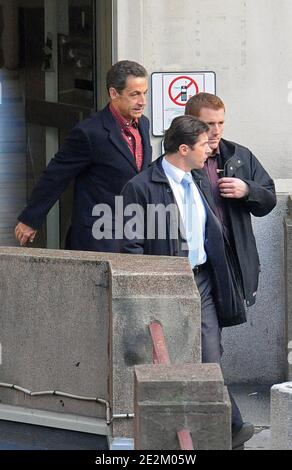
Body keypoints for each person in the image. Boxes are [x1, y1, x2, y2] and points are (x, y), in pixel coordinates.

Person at [120, 115, 250, 449]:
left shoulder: (200, 179)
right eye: (205, 144)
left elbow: (211, 230)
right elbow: (132, 245)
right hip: (167, 283)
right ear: (183, 148)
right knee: (172, 360)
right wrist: (146, 290)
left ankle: (228, 428)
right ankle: (209, 430)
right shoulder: (140, 187)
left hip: (204, 281)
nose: (211, 149)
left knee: (209, 354)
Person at [184, 92, 277, 448]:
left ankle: (221, 423)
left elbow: (267, 197)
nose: (216, 131)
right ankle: (229, 423)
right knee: (208, 347)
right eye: (209, 125)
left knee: (209, 346)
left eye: (221, 123)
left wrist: (247, 189)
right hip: (197, 269)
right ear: (192, 123)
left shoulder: (238, 156)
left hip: (232, 269)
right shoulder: (182, 159)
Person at [15, 60, 152, 251]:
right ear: (114, 93)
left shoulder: (143, 124)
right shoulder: (89, 132)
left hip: (135, 231)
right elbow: (56, 175)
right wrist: (30, 219)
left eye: (145, 93)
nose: (143, 101)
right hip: (100, 235)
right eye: (135, 94)